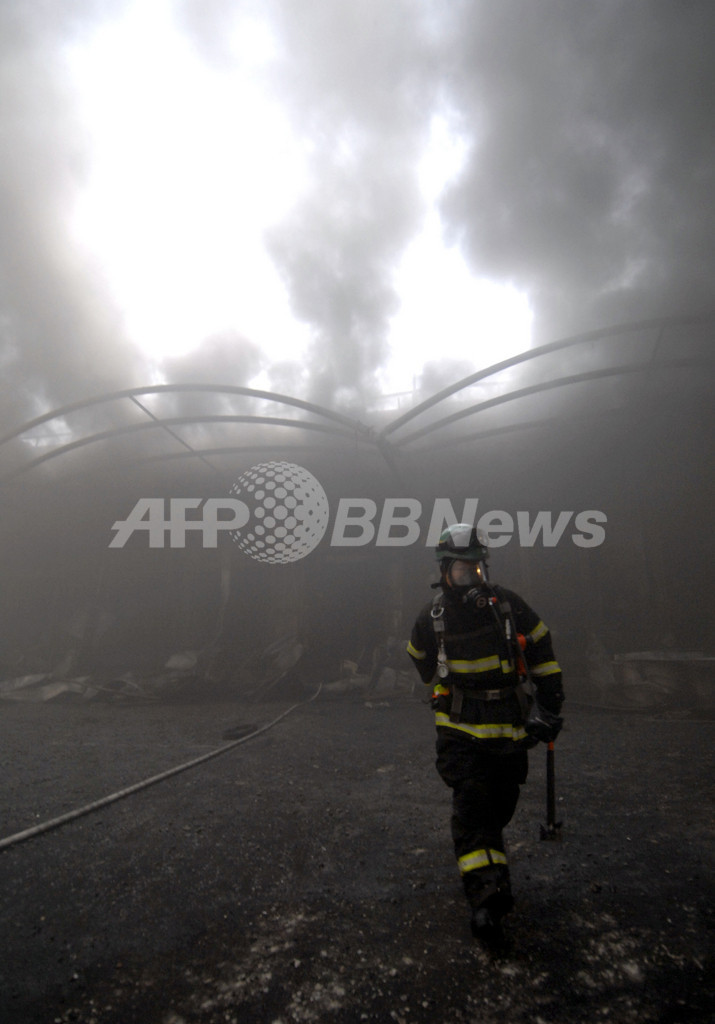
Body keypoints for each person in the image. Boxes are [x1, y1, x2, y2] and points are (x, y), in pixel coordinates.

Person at [406, 523, 564, 945]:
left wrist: (551, 705)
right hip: (459, 730)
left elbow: (543, 649)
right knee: (473, 805)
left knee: (500, 805)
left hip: (510, 732)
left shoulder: (509, 607)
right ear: (444, 571)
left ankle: (486, 866)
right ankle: (488, 901)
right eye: (462, 571)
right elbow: (420, 658)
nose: (471, 578)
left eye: (477, 569)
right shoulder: (432, 616)